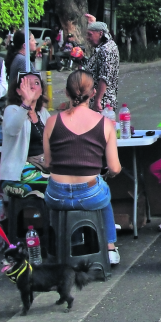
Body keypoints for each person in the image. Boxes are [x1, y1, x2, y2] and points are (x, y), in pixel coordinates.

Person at [43, 71, 121, 266]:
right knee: (104, 190)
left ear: (66, 93)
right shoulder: (105, 124)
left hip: (56, 195)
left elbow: (47, 163)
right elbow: (115, 167)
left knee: (63, 194)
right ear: (94, 93)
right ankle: (110, 248)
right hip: (89, 194)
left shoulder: (52, 122)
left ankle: (68, 246)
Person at [0, 71, 50, 198]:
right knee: (55, 184)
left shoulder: (43, 113)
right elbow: (12, 130)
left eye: (37, 83)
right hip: (19, 174)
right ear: (18, 91)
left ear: (41, 90)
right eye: (27, 84)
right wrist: (26, 102)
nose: (32, 87)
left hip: (43, 167)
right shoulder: (12, 110)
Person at [85, 21, 120, 113]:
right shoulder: (105, 46)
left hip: (104, 102)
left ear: (100, 34)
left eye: (90, 35)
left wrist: (98, 100)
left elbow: (104, 78)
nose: (87, 38)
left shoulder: (106, 50)